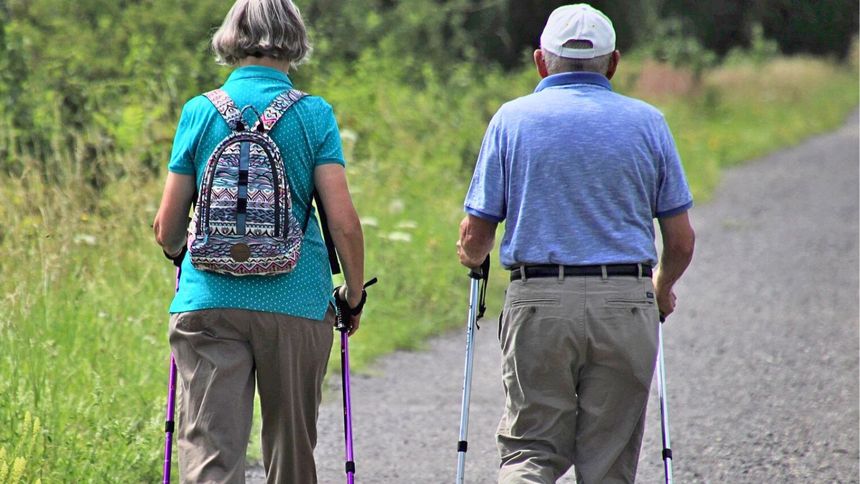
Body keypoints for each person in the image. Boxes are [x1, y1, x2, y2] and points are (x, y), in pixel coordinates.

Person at [457, 4, 695, 483]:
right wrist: (661, 285)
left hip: (539, 303)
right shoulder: (649, 122)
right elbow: (681, 240)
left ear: (541, 61)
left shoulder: (511, 120)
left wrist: (472, 255)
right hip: (624, 304)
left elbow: (475, 235)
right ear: (614, 62)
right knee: (607, 463)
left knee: (530, 453)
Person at [152, 1, 365, 482]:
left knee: (211, 453)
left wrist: (178, 253)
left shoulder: (198, 112)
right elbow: (344, 223)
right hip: (296, 301)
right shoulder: (313, 114)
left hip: (209, 302)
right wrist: (352, 296)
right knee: (291, 454)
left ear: (230, 38)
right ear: (294, 38)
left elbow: (167, 227)